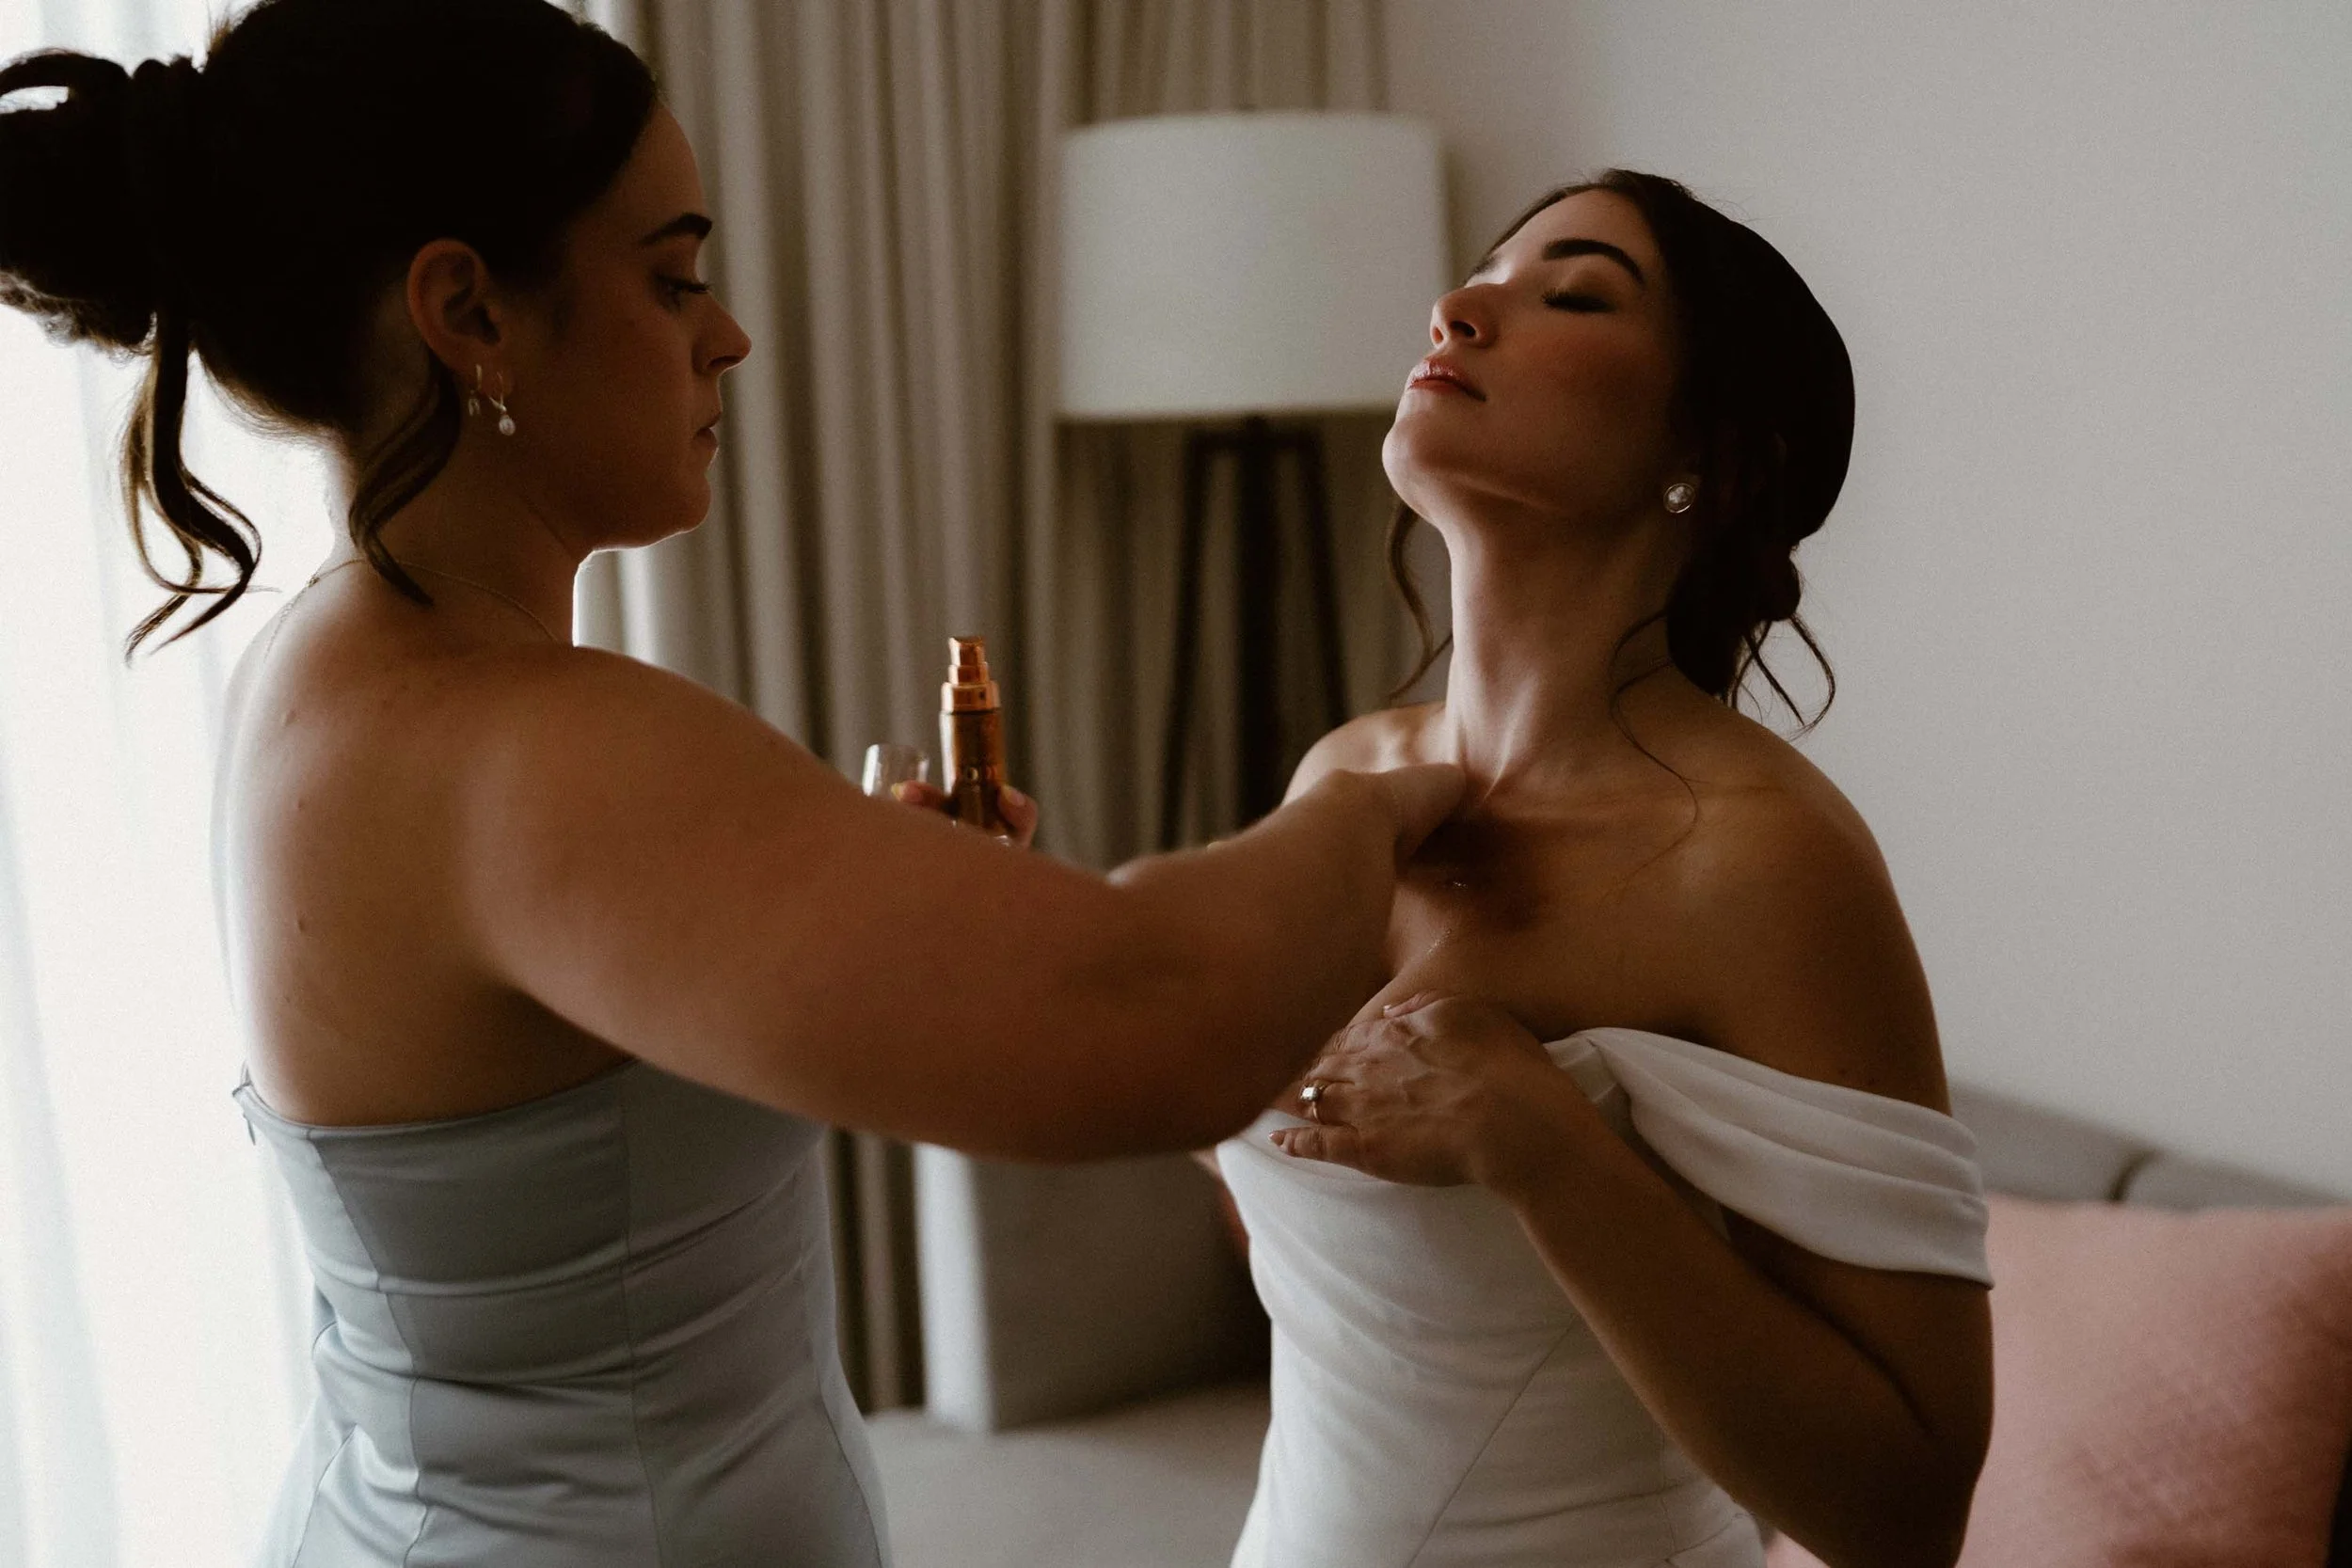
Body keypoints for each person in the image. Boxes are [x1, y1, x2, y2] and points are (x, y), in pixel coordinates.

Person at [0, 4, 1461, 1563]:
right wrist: (1381, 792)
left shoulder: (335, 670)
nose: (729, 335)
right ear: (468, 311)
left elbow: (554, 1148)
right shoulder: (520, 741)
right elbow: (1157, 1021)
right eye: (673, 276)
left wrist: (868, 911)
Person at [1211, 174, 1994, 1568]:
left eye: (1572, 294)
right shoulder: (1342, 779)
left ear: (1715, 457)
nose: (1458, 309)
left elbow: (1906, 1510)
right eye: (1482, 278)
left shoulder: (1760, 863)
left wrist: (1543, 1142)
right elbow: (1318, 1253)